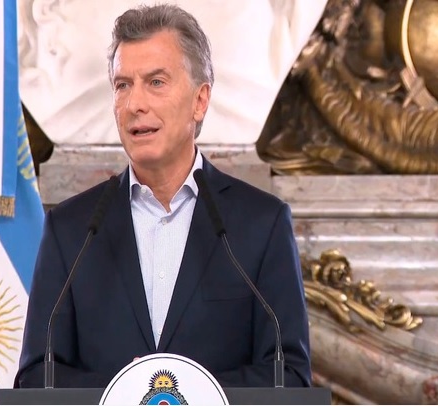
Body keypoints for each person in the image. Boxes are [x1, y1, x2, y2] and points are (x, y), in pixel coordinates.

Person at [15, 4, 311, 389]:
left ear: (199, 101)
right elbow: (37, 378)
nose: (135, 104)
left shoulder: (261, 223)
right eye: (123, 85)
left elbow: (290, 377)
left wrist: (185, 389)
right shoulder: (71, 230)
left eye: (156, 82)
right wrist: (130, 390)